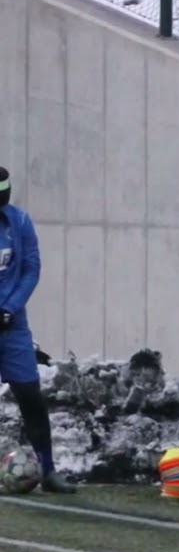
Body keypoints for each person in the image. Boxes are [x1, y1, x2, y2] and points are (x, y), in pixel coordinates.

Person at [0, 168, 75, 494]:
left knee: (31, 398)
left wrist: (9, 308)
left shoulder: (19, 223)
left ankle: (48, 471)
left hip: (12, 326)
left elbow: (31, 268)